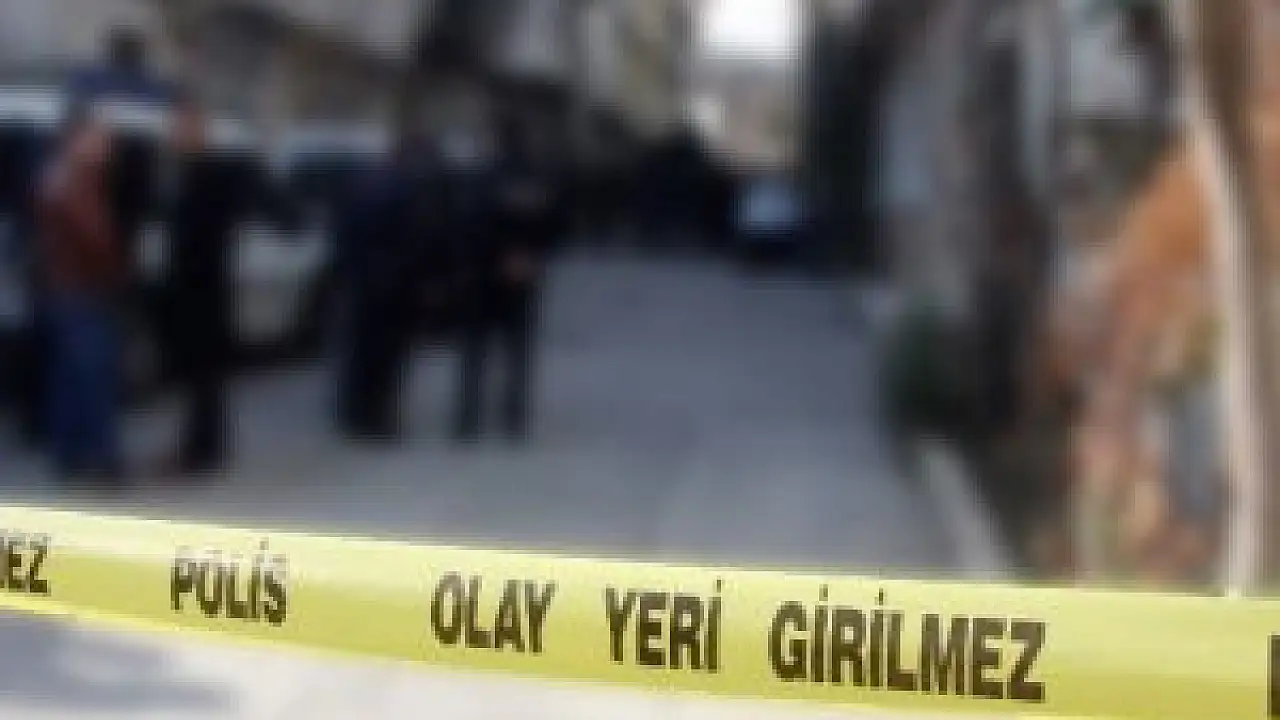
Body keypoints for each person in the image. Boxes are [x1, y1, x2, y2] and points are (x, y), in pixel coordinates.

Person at [451, 119, 557, 442]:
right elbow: (553, 225)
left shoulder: (482, 178)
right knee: (515, 352)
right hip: (519, 274)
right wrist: (532, 258)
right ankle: (512, 417)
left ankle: (469, 417)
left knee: (477, 351)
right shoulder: (537, 179)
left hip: (484, 273)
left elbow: (469, 224)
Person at [37, 107, 125, 486]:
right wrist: (116, 270)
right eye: (99, 139)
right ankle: (105, 458)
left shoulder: (62, 177)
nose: (106, 146)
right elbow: (95, 237)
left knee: (70, 377)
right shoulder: (74, 181)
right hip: (82, 290)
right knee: (93, 376)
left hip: (66, 288)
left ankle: (68, 455)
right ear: (77, 140)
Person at [157, 97, 239, 475]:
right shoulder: (183, 174)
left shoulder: (210, 175)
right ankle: (201, 446)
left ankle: (201, 451)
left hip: (204, 290)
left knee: (204, 376)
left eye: (183, 129)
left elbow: (206, 236)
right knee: (197, 377)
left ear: (199, 133)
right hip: (189, 288)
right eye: (175, 129)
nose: (175, 136)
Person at [333, 125, 429, 441]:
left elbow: (343, 232)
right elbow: (413, 239)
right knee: (387, 357)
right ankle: (378, 418)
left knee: (360, 351)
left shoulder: (361, 184)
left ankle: (353, 413)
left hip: (362, 280)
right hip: (393, 283)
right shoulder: (406, 190)